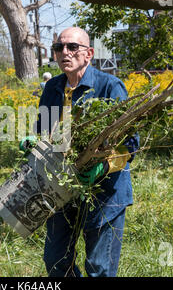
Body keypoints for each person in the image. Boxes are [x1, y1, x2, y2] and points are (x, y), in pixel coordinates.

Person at [33, 27, 139, 277]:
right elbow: (44, 131)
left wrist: (102, 167)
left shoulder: (110, 87)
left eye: (72, 47)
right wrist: (35, 143)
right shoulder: (52, 88)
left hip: (103, 192)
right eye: (59, 48)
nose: (64, 53)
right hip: (62, 187)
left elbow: (131, 143)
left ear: (89, 53)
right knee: (56, 261)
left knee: (99, 268)